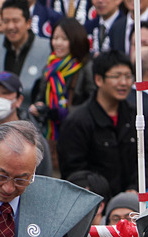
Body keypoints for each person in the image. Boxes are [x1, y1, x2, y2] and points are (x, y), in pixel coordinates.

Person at [57, 50, 137, 196]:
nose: (124, 83)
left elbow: (147, 159)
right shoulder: (77, 121)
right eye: (116, 76)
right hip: (95, 202)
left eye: (128, 76)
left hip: (131, 201)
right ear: (98, 80)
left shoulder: (135, 115)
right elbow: (74, 171)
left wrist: (135, 188)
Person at [28, 17, 93, 141]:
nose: (58, 43)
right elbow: (41, 98)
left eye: (64, 39)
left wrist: (62, 112)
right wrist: (40, 109)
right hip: (52, 135)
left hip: (79, 134)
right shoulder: (49, 68)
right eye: (55, 38)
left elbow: (92, 103)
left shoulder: (85, 67)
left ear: (75, 40)